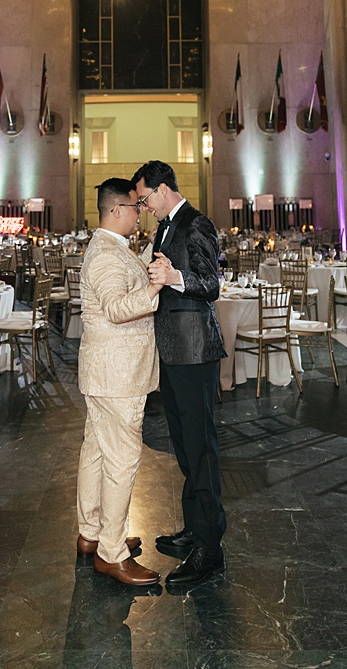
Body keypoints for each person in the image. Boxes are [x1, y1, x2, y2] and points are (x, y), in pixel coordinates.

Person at [132, 160, 227, 588]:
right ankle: (194, 528)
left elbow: (212, 284)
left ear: (164, 188)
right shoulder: (165, 226)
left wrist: (176, 276)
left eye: (145, 198)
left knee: (201, 448)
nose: (144, 206)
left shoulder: (196, 223)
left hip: (195, 351)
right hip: (173, 351)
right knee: (185, 449)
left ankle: (211, 548)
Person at [76, 177, 164, 587]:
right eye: (135, 208)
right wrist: (155, 286)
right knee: (122, 461)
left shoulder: (112, 248)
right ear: (115, 211)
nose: (139, 212)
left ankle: (92, 532)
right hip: (117, 375)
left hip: (106, 372)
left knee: (96, 452)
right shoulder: (106, 256)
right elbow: (115, 308)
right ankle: (112, 553)